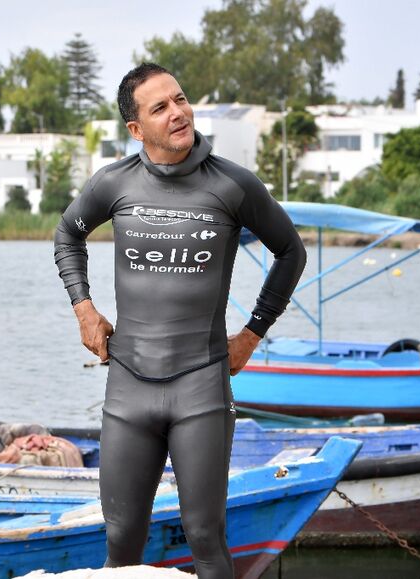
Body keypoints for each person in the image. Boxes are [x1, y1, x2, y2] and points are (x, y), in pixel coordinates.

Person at [54, 63, 306, 578]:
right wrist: (84, 307)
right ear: (135, 128)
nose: (178, 113)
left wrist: (253, 334)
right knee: (122, 539)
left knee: (206, 538)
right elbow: (67, 234)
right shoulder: (114, 183)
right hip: (128, 389)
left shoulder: (233, 185)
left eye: (181, 99)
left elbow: (290, 252)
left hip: (201, 387)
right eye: (160, 107)